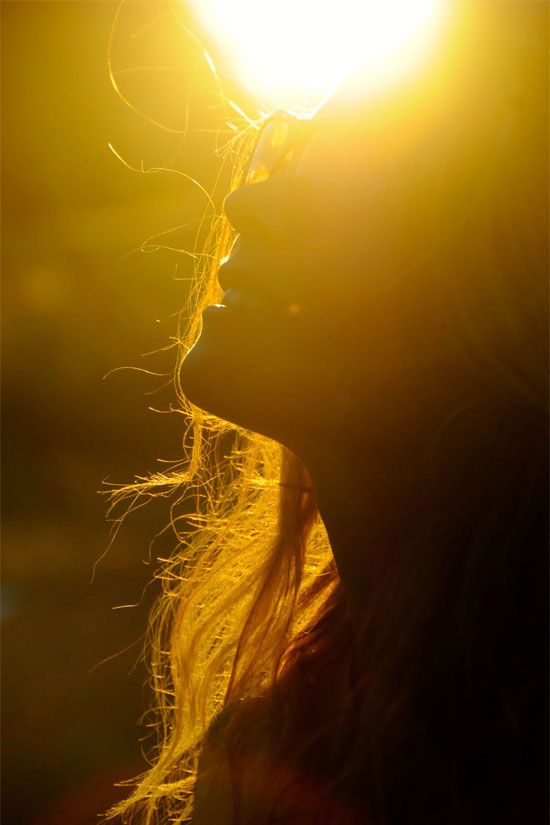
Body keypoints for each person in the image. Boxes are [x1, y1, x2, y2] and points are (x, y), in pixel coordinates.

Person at [108, 3, 548, 824]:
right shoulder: (281, 741)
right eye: (292, 154)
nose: (248, 206)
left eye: (350, 183)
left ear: (511, 283)